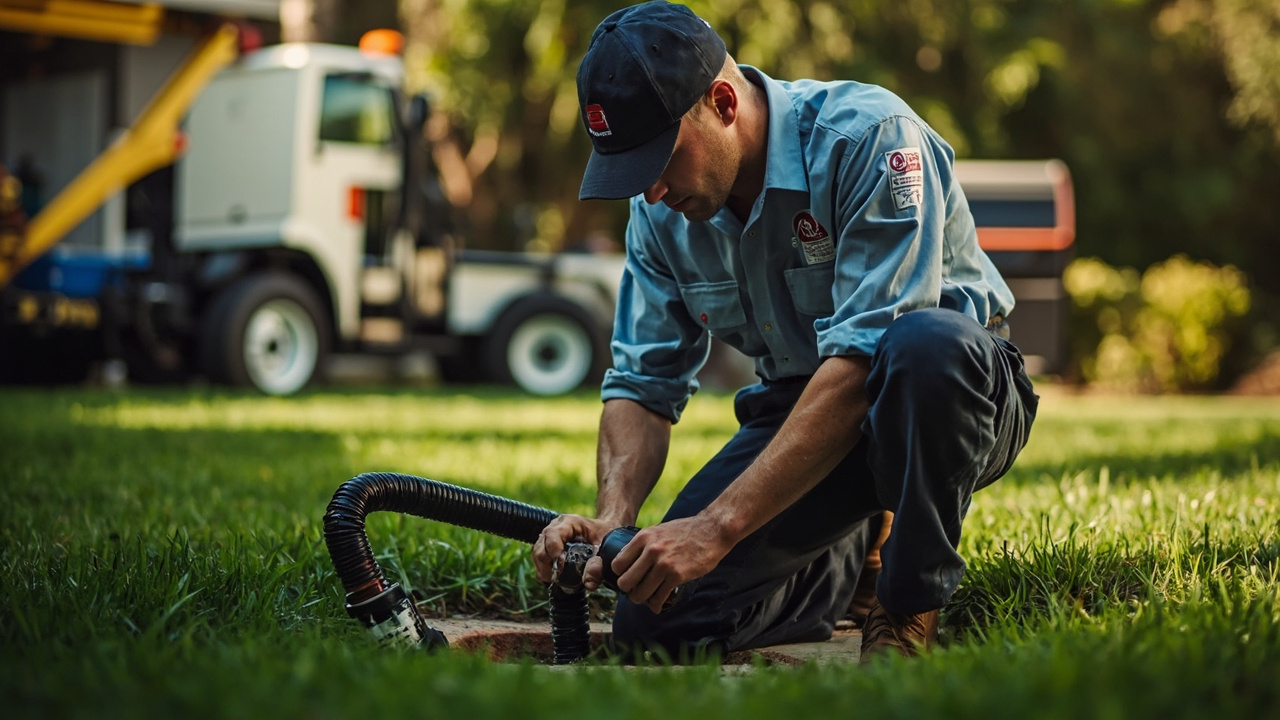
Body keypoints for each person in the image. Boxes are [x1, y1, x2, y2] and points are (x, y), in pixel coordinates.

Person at [532, 0, 1038, 663]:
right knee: (656, 626)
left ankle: (907, 600)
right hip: (804, 408)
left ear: (722, 102)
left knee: (922, 348)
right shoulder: (658, 212)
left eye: (659, 158)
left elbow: (864, 358)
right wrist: (612, 516)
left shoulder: (871, 139)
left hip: (947, 398)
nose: (650, 191)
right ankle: (841, 557)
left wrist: (716, 527)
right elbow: (641, 383)